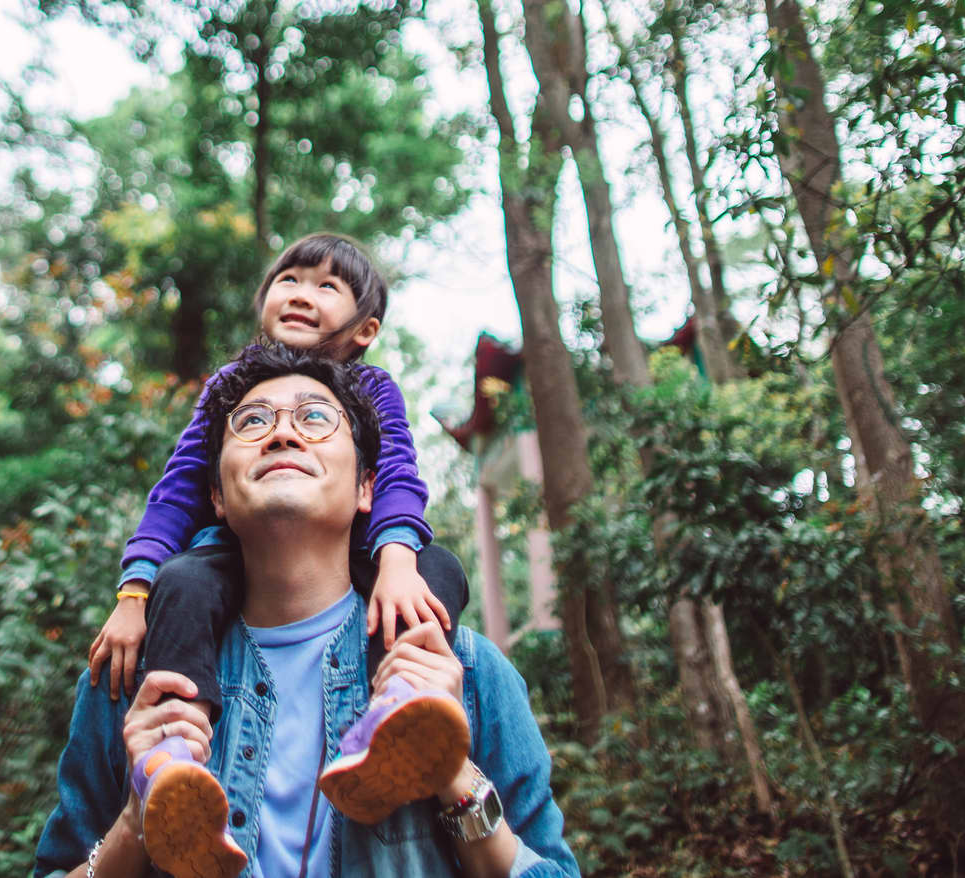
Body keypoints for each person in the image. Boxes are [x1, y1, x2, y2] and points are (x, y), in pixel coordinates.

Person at [35, 341, 582, 878]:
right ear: (218, 499)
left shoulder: (466, 672)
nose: (282, 433)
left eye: (316, 417)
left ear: (368, 487)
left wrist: (454, 774)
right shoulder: (135, 683)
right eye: (250, 423)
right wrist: (136, 823)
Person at [87, 238, 474, 846]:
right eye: (288, 278)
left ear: (365, 328)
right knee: (181, 581)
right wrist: (134, 593)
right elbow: (178, 487)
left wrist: (397, 555)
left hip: (362, 547)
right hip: (231, 554)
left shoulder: (373, 389)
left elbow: (397, 470)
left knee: (436, 570)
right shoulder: (231, 387)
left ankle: (398, 710)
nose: (300, 292)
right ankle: (170, 760)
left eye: (327, 286)